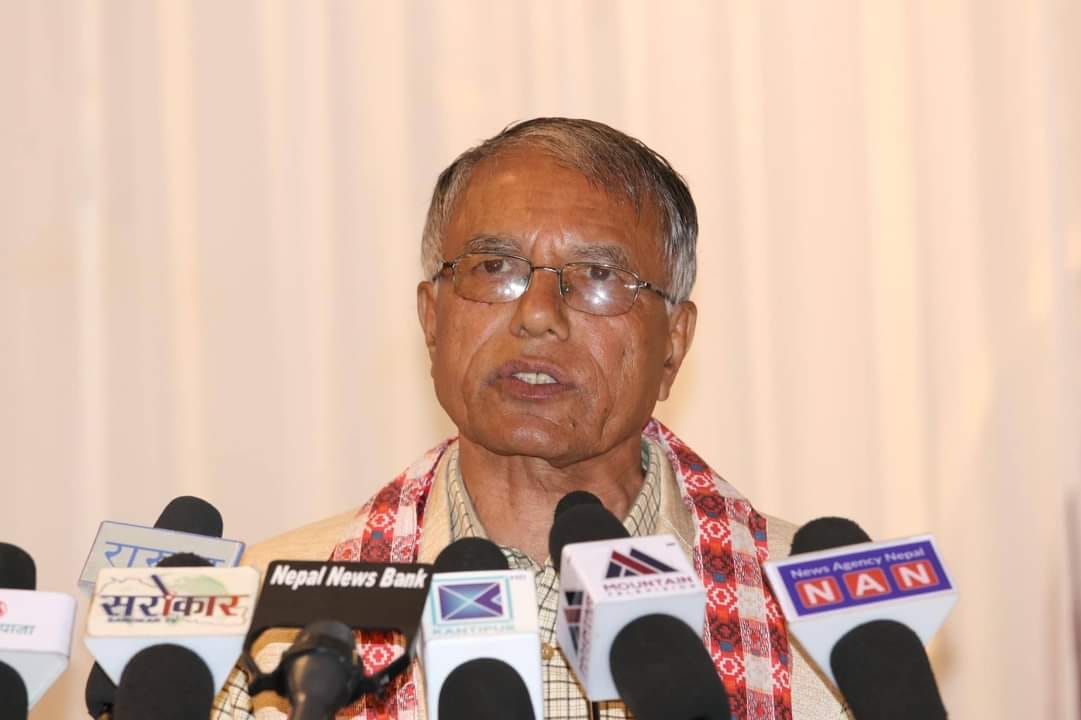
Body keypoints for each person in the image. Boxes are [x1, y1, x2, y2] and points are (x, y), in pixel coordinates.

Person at [211, 118, 846, 719]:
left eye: (598, 274)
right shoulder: (261, 621)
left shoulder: (830, 626)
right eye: (495, 268)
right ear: (432, 322)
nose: (538, 315)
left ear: (673, 345)